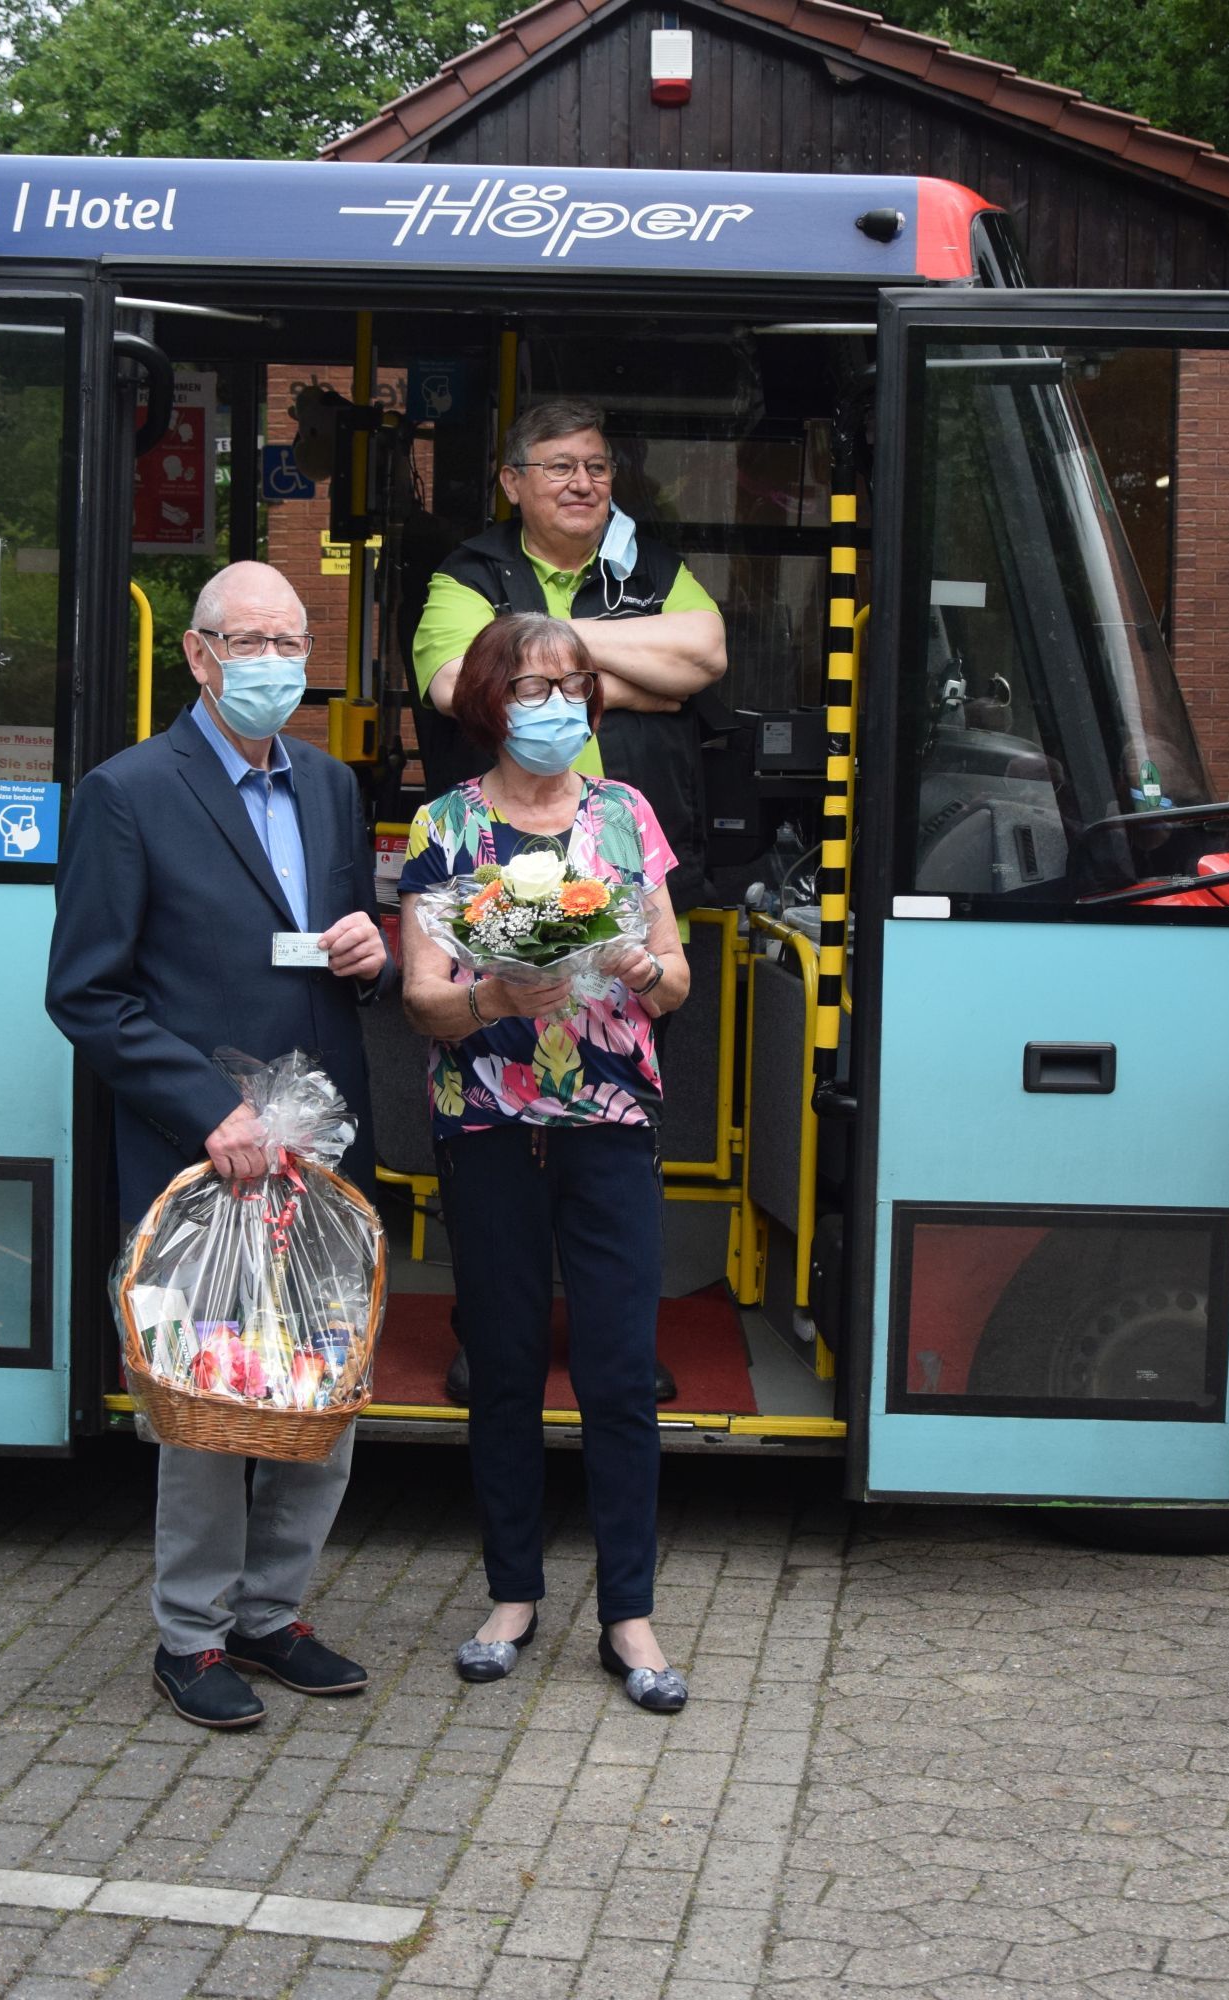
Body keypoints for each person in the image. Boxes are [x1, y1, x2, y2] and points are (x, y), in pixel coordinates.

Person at [46, 559, 391, 1730]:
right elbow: (88, 995)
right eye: (248, 640)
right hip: (207, 1160)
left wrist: (372, 952)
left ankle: (272, 1613)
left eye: (291, 639)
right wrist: (210, 1108)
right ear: (196, 656)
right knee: (209, 1401)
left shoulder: (335, 786)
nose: (273, 662)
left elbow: (335, 948)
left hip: (322, 1156)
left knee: (318, 1393)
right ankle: (190, 1632)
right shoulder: (128, 790)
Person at [398, 612, 694, 1713]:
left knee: (620, 1372)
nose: (555, 704)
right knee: (506, 1371)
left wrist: (642, 968)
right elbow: (423, 998)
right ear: (489, 700)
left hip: (611, 1126)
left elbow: (676, 974)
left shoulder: (626, 816)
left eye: (572, 684)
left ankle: (630, 1613)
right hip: (488, 1129)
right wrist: (494, 998)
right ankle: (511, 1595)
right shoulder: (445, 825)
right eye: (531, 686)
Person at [413, 396, 726, 1404]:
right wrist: (632, 667)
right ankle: (489, 1333)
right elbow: (465, 683)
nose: (584, 482)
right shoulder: (466, 572)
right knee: (496, 1122)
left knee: (619, 1115)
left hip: (620, 869)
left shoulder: (647, 563)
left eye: (597, 465)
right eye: (559, 465)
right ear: (513, 482)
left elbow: (708, 659)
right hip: (506, 868)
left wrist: (553, 650)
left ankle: (615, 1341)